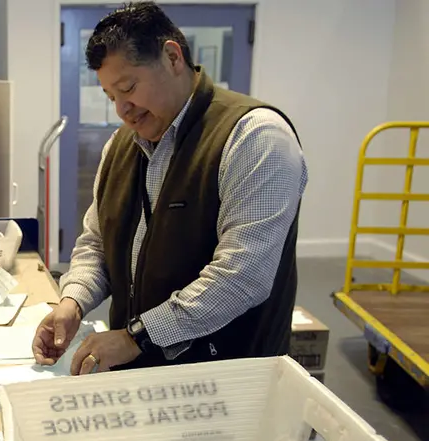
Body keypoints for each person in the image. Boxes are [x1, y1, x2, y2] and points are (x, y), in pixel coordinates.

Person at [32, 1, 308, 375]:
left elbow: (243, 277)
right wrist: (71, 303)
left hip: (230, 381)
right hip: (141, 375)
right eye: (112, 97)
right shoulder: (120, 147)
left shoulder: (254, 137)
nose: (122, 110)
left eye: (128, 88)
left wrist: (136, 338)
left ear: (173, 57)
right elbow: (96, 243)